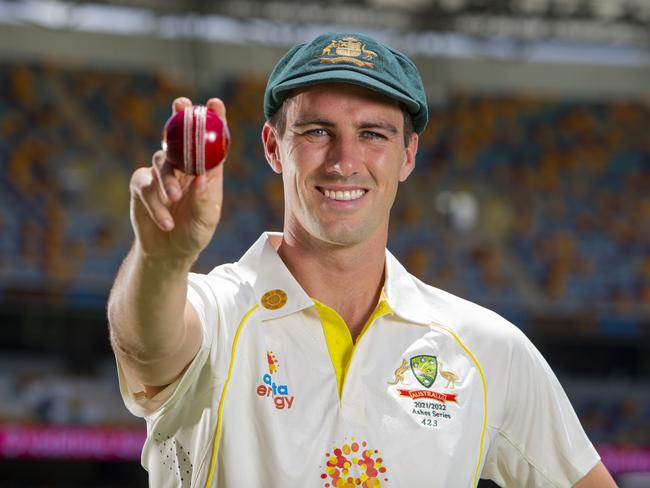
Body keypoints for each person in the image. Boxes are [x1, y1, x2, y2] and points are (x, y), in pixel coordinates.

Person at [108, 32, 616, 487]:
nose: (344, 161)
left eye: (373, 134)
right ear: (273, 146)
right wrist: (162, 260)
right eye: (316, 131)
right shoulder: (216, 311)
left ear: (408, 155)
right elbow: (146, 346)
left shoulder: (488, 349)